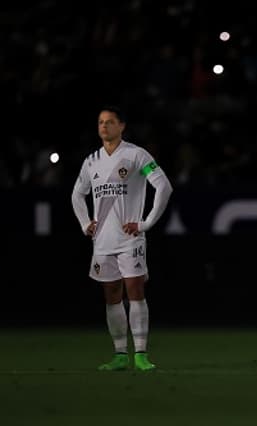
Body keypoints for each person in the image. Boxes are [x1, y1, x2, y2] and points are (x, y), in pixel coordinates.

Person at [71, 106, 173, 371]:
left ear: (122, 126)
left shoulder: (136, 154)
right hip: (102, 241)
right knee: (111, 295)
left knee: (135, 291)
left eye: (110, 122)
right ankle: (119, 354)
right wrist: (85, 223)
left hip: (130, 238)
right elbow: (76, 194)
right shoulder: (91, 160)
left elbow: (163, 185)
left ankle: (140, 353)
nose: (104, 126)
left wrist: (146, 223)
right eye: (100, 122)